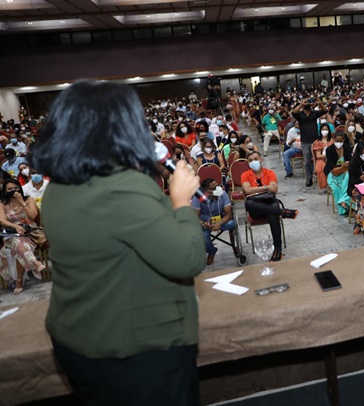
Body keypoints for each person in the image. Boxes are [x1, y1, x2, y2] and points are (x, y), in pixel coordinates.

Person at [30, 81, 205, 405]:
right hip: (135, 351)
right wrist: (180, 200)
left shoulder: (60, 186)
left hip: (77, 338)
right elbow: (189, 257)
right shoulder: (121, 187)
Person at [241, 151, 298, 261]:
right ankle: (282, 212)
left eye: (256, 159)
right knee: (249, 203)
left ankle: (278, 250)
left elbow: (274, 188)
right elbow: (247, 190)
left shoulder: (269, 173)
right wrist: (266, 188)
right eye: (250, 160)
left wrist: (258, 190)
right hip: (255, 207)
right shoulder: (245, 175)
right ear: (248, 163)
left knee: (272, 214)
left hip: (269, 202)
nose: (254, 162)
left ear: (261, 160)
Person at [0, 178, 45, 294]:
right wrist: (15, 227)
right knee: (15, 239)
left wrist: (22, 202)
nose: (13, 191)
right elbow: (2, 221)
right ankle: (34, 263)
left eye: (15, 188)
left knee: (15, 245)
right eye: (9, 189)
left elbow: (33, 216)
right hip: (12, 233)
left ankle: (19, 281)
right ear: (5, 191)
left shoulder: (28, 200)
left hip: (30, 233)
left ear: (19, 188)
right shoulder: (3, 204)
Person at [193, 178, 235, 266]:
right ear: (207, 191)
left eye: (218, 185)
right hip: (204, 222)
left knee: (232, 223)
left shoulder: (223, 194)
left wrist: (219, 223)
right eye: (214, 187)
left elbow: (229, 214)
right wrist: (203, 224)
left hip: (221, 220)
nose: (218, 188)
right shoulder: (198, 197)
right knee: (203, 237)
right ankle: (211, 251)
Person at [292, 97, 327, 187]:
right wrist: (301, 104)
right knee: (307, 161)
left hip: (315, 140)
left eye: (308, 102)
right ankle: (309, 178)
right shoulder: (299, 115)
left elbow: (325, 110)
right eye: (306, 103)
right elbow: (294, 112)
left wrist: (319, 103)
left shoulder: (314, 113)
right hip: (305, 141)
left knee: (318, 159)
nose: (307, 104)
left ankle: (320, 175)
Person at [324, 132, 352, 215]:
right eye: (337, 141)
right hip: (333, 173)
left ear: (343, 140)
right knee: (336, 188)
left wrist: (348, 163)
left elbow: (351, 159)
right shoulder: (329, 149)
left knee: (349, 181)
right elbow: (330, 164)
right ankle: (343, 209)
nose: (338, 143)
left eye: (340, 141)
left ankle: (343, 202)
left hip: (345, 172)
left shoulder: (347, 148)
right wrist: (341, 165)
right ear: (333, 140)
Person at [312, 125, 332, 191]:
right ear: (320, 131)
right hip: (321, 160)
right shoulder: (318, 142)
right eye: (323, 129)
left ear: (329, 131)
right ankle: (325, 185)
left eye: (326, 129)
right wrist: (327, 155)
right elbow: (318, 156)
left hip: (331, 159)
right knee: (323, 167)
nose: (324, 131)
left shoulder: (332, 141)